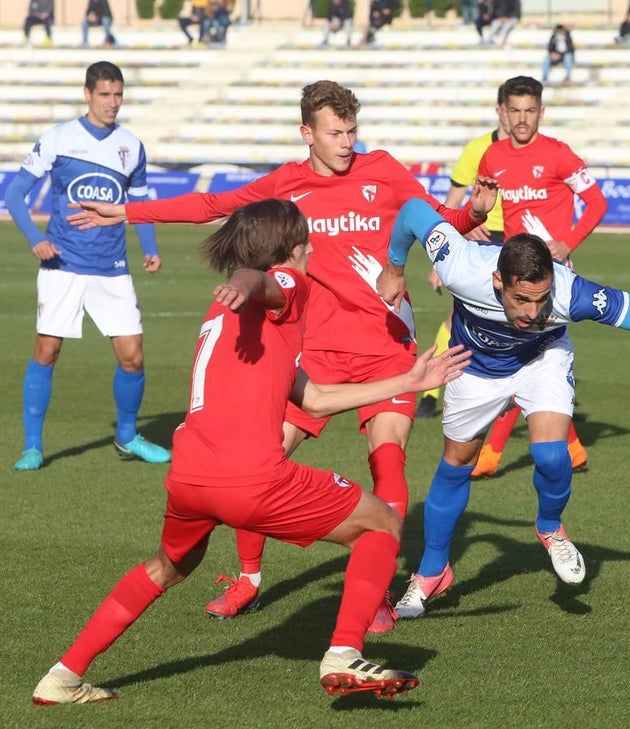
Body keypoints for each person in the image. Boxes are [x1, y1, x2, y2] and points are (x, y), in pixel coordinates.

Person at [67, 80, 494, 629]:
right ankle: (249, 578)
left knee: (388, 458)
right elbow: (211, 205)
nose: (346, 142)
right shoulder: (285, 185)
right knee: (264, 458)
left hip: (387, 344)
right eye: (334, 132)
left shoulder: (383, 169)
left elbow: (440, 222)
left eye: (351, 131)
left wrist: (475, 214)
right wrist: (128, 213)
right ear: (306, 134)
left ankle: (380, 591)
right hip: (314, 350)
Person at [30, 199, 472, 706]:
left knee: (166, 568)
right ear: (288, 248)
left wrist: (409, 380)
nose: (311, 246)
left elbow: (315, 397)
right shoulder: (286, 284)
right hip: (251, 480)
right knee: (382, 524)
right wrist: (246, 280)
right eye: (304, 238)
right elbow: (264, 281)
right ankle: (345, 653)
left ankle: (63, 676)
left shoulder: (224, 314)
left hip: (190, 480)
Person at [381, 199, 630, 618]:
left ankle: (550, 528)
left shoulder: (571, 294)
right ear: (498, 280)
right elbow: (411, 211)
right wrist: (394, 268)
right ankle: (432, 573)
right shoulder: (460, 264)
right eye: (522, 299)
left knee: (552, 454)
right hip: (474, 366)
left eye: (542, 300)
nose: (534, 312)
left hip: (542, 361)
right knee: (456, 464)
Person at [3, 62, 169, 473]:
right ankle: (33, 447)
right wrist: (35, 239)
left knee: (133, 357)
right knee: (47, 350)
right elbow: (14, 194)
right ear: (88, 94)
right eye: (105, 95)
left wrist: (149, 246)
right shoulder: (60, 138)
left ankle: (127, 436)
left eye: (118, 95)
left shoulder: (131, 146)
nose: (112, 103)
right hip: (63, 265)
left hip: (112, 267)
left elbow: (140, 206)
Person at [470, 75, 606, 479]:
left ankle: (490, 455)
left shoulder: (560, 155)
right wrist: (472, 221)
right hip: (513, 279)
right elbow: (484, 201)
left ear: (541, 112)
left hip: (551, 278)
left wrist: (568, 241)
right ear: (502, 112)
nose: (523, 118)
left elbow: (597, 203)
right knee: (528, 358)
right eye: (515, 110)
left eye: (530, 110)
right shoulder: (492, 156)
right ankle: (575, 450)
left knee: (517, 362)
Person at [416, 89, 513, 422]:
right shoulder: (477, 149)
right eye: (510, 109)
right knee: (459, 318)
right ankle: (431, 392)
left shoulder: (536, 152)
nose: (516, 117)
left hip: (519, 243)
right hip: (483, 240)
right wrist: (440, 256)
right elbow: (451, 202)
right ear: (501, 109)